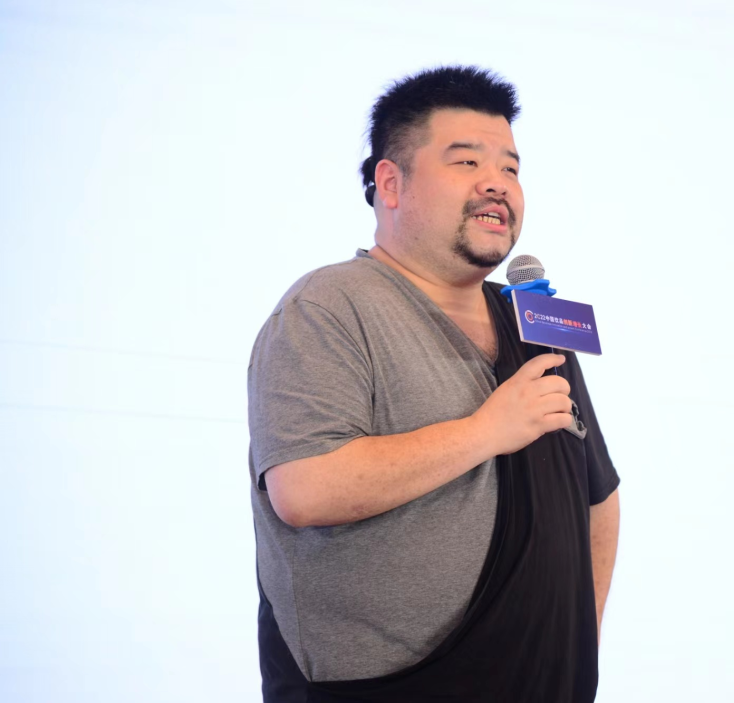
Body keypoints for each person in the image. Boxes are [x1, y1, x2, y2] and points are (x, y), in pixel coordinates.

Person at [247, 65, 620, 703]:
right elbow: (305, 489)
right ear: (391, 183)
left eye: (510, 168)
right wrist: (484, 433)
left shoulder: (534, 323)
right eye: (467, 161)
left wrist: (578, 646)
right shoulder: (328, 306)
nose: (497, 184)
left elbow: (596, 496)